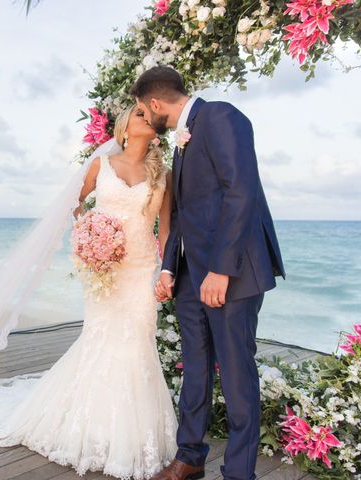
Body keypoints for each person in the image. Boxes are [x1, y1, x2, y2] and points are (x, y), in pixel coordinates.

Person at [0, 105, 179, 479]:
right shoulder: (102, 166)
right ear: (124, 127)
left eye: (150, 116)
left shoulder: (163, 174)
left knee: (138, 342)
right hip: (104, 268)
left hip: (141, 269)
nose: (146, 118)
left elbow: (165, 230)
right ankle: (93, 430)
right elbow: (75, 202)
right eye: (138, 114)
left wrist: (166, 272)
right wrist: (89, 234)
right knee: (102, 339)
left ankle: (130, 438)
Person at [132, 66, 285, 480]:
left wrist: (220, 270)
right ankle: (190, 457)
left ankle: (239, 474)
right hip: (190, 278)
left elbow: (242, 191)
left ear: (156, 104)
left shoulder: (219, 116)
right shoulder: (184, 140)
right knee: (195, 368)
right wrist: (168, 268)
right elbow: (182, 215)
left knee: (237, 376)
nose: (146, 119)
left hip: (230, 275)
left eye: (145, 113)